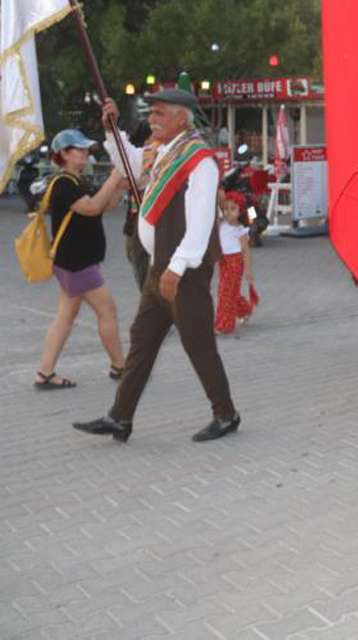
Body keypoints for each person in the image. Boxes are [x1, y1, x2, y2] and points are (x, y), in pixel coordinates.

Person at [73, 90, 239, 443]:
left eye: (160, 113)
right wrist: (111, 130)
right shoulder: (165, 151)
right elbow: (130, 164)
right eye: (152, 112)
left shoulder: (199, 161)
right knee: (142, 340)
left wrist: (177, 268)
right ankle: (120, 418)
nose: (152, 118)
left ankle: (226, 414)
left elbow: (199, 223)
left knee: (198, 344)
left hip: (183, 272)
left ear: (181, 119)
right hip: (159, 268)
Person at [33, 129, 128, 391]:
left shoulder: (76, 181)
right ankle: (120, 367)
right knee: (107, 311)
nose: (86, 154)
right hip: (78, 263)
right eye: (80, 150)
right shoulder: (63, 183)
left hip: (73, 262)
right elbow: (91, 207)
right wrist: (115, 176)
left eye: (86, 150)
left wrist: (117, 188)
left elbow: (103, 206)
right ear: (63, 154)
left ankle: (45, 372)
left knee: (65, 316)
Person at [213, 190, 255, 334]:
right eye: (226, 209)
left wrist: (248, 270)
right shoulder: (221, 224)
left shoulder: (240, 229)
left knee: (224, 292)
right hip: (224, 261)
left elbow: (246, 251)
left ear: (240, 211)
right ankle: (245, 310)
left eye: (232, 209)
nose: (228, 212)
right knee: (229, 292)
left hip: (235, 262)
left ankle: (223, 325)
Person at [122, 122, 155, 291]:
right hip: (137, 226)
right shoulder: (134, 163)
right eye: (152, 140)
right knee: (145, 281)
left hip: (160, 227)